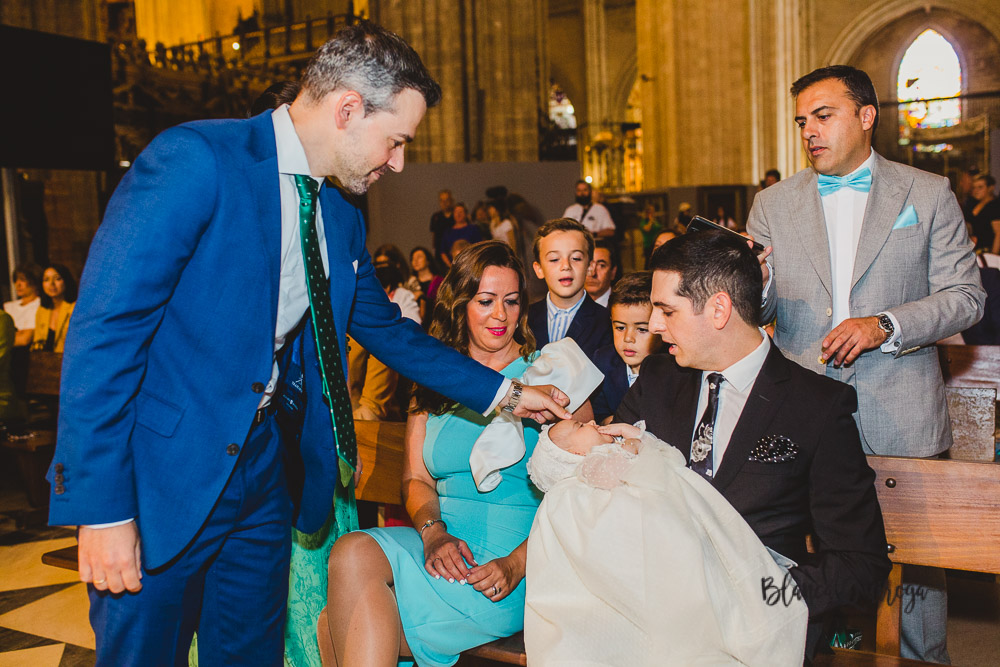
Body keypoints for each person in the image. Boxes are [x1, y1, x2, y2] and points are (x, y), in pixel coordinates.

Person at [47, 21, 569, 667]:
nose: (398, 161)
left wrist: (509, 392)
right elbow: (104, 331)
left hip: (263, 472)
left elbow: (386, 331)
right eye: (396, 139)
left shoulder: (342, 212)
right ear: (348, 108)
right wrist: (100, 509)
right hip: (164, 474)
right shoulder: (197, 161)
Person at [746, 65, 984, 663]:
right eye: (802, 121)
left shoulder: (926, 193)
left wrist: (886, 325)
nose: (810, 132)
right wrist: (756, 280)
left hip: (898, 409)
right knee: (801, 555)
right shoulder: (772, 204)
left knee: (916, 570)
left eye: (823, 116)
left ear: (866, 115)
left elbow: (967, 296)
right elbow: (757, 310)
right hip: (801, 411)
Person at [615, 230, 890, 659]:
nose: (653, 325)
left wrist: (750, 596)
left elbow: (860, 565)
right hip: (647, 615)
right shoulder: (657, 380)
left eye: (666, 310)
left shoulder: (814, 407)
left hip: (754, 632)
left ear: (719, 309)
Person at [319, 241, 578, 667]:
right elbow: (416, 480)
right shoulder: (436, 380)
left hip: (508, 567)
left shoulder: (549, 377)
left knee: (338, 622)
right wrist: (433, 532)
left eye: (512, 302)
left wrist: (516, 563)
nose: (500, 315)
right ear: (461, 305)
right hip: (440, 545)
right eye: (486, 301)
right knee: (351, 550)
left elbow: (580, 497)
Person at [524, 419, 809, 666]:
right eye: (578, 427)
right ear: (571, 453)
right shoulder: (580, 484)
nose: (589, 423)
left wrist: (640, 444)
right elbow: (604, 523)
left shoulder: (602, 461)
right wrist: (632, 449)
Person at [528, 218, 612, 360]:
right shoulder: (524, 319)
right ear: (539, 269)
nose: (566, 266)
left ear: (589, 267)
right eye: (554, 259)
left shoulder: (606, 322)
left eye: (576, 258)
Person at [590, 271, 662, 423]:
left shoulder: (673, 369)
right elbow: (597, 414)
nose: (628, 338)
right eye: (620, 328)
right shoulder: (603, 360)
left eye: (642, 329)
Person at [31, 264, 77, 353]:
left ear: (66, 281)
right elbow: (36, 343)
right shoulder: (42, 310)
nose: (51, 284)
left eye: (57, 278)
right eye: (46, 279)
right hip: (46, 362)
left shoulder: (75, 308)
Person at [4, 265, 41, 347]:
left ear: (34, 282)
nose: (18, 284)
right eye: (16, 280)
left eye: (22, 280)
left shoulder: (39, 305)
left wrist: (5, 338)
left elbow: (24, 339)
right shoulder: (8, 306)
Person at [439, 202, 483, 267]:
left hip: (471, 265)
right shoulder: (448, 232)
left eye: (461, 212)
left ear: (465, 214)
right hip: (453, 266)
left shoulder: (473, 229)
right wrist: (450, 266)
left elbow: (479, 247)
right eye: (456, 212)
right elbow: (443, 251)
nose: (458, 214)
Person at [409, 246, 443, 327]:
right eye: (413, 258)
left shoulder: (439, 281)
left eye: (419, 257)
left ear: (428, 260)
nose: (415, 261)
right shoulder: (409, 283)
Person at [968, 173, 1000, 254]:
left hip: (989, 253)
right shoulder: (972, 204)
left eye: (980, 187)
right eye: (974, 187)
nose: (976, 190)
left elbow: (998, 233)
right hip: (978, 251)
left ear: (990, 188)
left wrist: (993, 255)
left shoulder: (995, 205)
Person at [584, 238, 617, 307]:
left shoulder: (623, 306)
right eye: (588, 265)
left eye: (601, 266)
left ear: (613, 272)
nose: (593, 273)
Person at [429, 189, 454, 261]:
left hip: (453, 251)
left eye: (447, 200)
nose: (444, 203)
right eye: (442, 200)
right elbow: (434, 235)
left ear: (451, 201)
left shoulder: (456, 215)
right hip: (439, 253)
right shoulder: (436, 217)